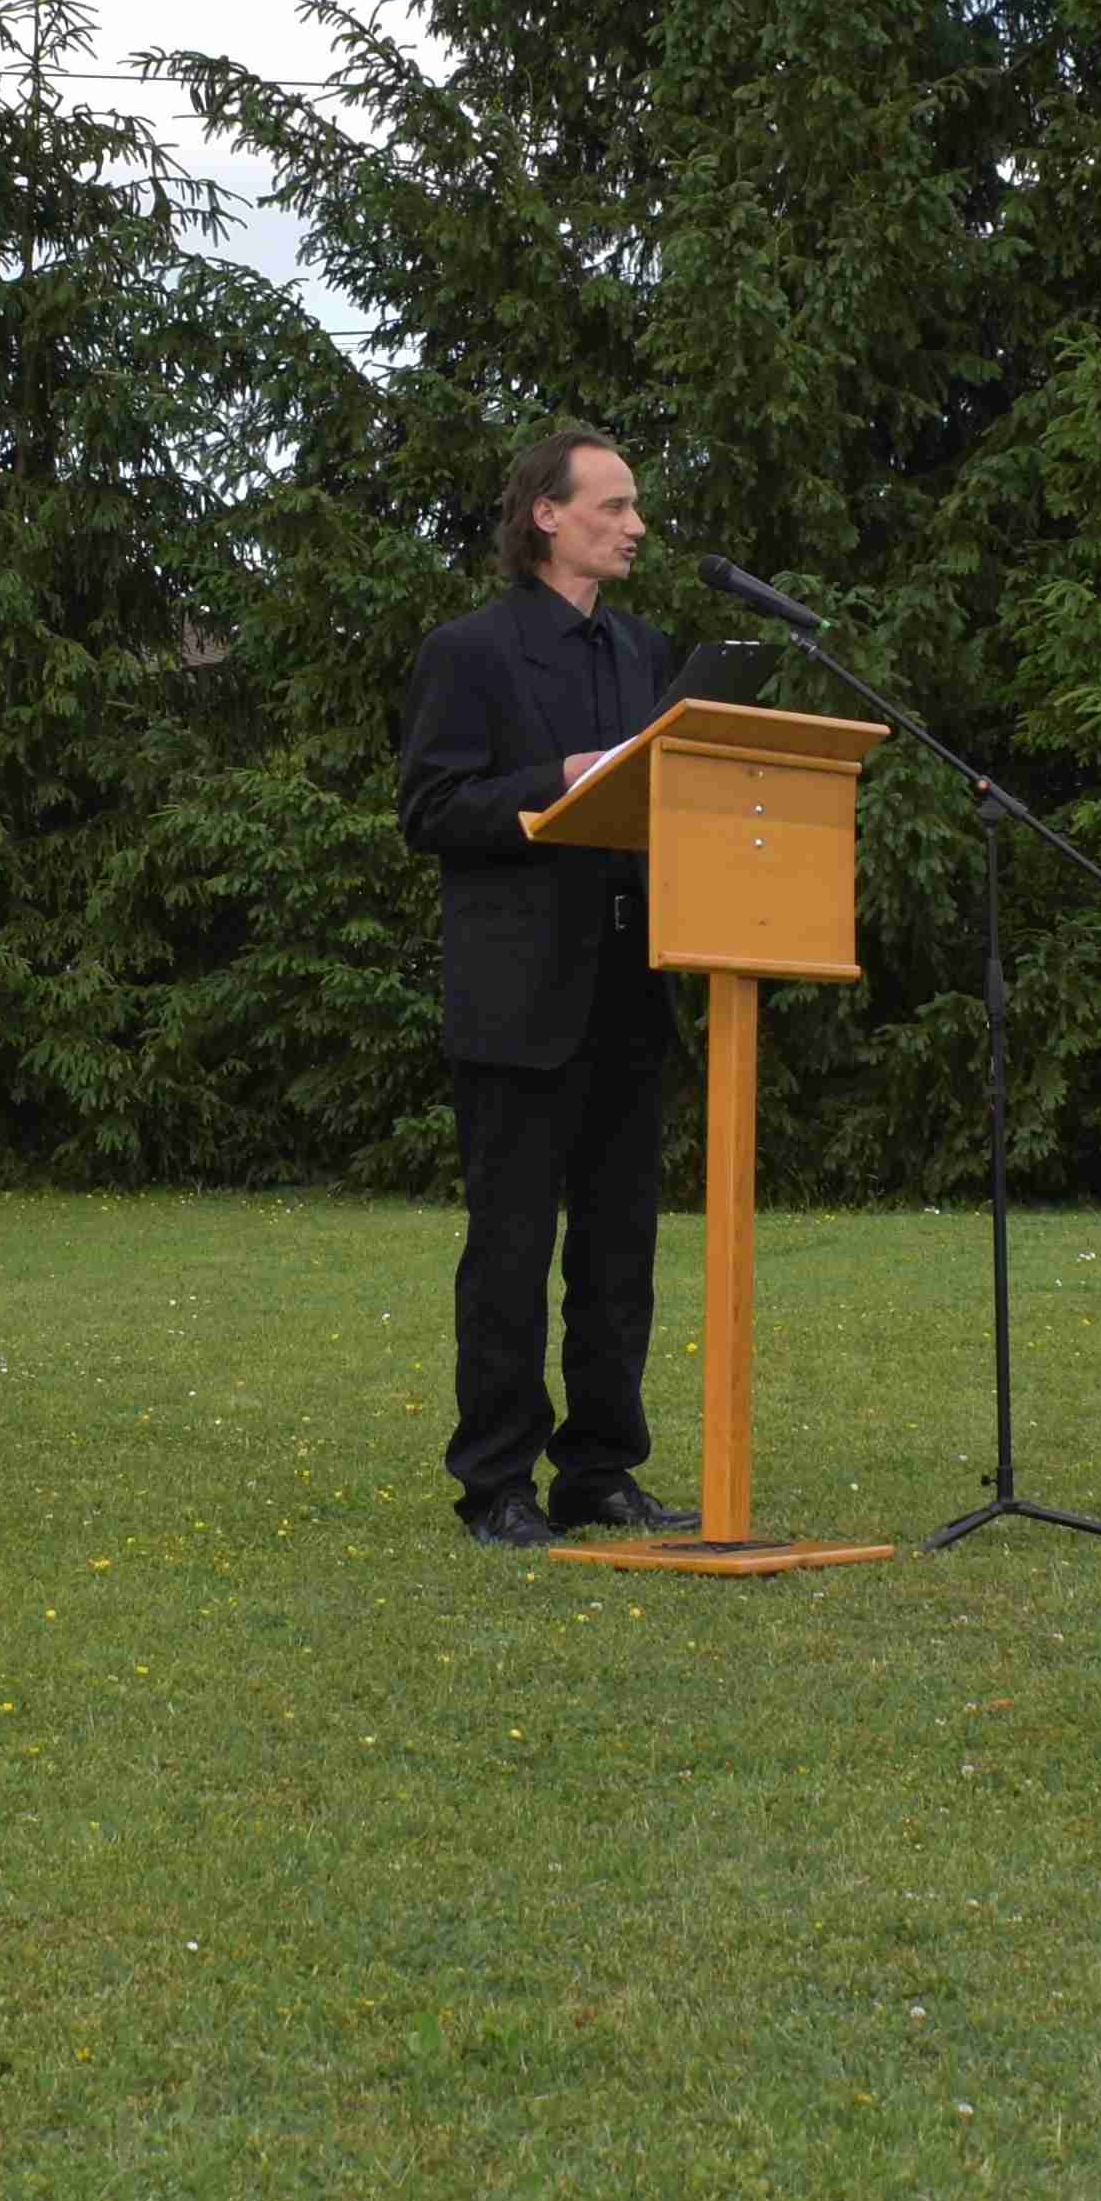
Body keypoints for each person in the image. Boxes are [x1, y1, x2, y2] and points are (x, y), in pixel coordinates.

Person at [396, 424, 705, 1548]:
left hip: (631, 986)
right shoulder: (470, 652)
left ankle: (600, 1472)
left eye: (635, 507)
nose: (635, 526)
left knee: (619, 1256)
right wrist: (553, 784)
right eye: (613, 506)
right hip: (521, 999)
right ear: (546, 515)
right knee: (512, 1255)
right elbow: (430, 809)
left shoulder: (646, 652)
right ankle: (497, 1485)